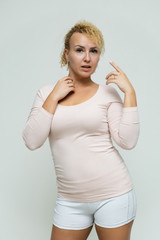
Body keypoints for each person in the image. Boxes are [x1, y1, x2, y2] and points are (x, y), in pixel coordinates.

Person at [22, 20, 140, 240]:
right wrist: (53, 97)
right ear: (67, 54)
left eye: (93, 51)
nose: (87, 58)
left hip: (114, 196)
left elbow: (128, 141)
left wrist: (130, 93)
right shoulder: (46, 93)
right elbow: (31, 141)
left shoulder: (108, 94)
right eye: (79, 50)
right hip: (70, 201)